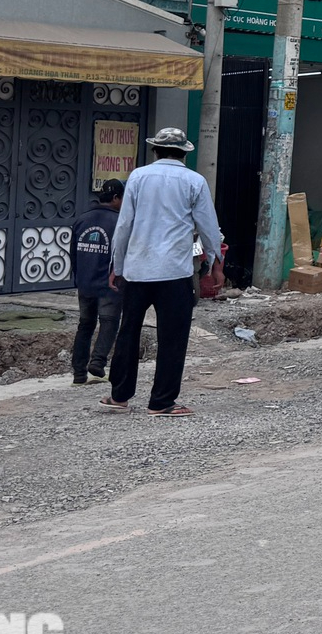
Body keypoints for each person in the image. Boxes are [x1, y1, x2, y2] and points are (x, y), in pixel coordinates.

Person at [104, 128, 224, 418]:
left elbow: (124, 226)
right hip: (174, 272)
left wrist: (116, 266)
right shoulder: (195, 181)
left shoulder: (138, 177)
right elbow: (208, 226)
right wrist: (216, 262)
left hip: (137, 271)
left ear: (155, 151)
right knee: (173, 337)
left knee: (128, 332)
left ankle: (119, 396)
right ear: (185, 153)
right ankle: (161, 402)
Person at [68, 179, 124, 386]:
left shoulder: (82, 219)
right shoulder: (119, 222)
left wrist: (78, 277)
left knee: (85, 325)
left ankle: (78, 373)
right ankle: (98, 362)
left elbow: (73, 253)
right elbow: (122, 253)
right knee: (109, 322)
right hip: (109, 284)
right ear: (116, 198)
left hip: (85, 282)